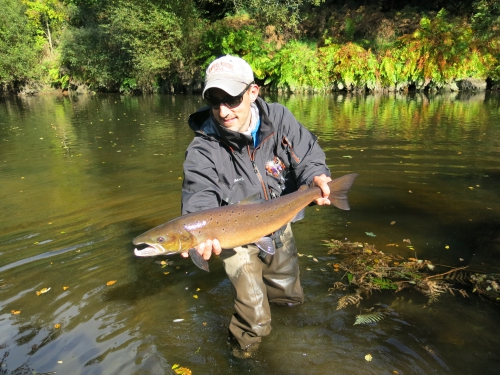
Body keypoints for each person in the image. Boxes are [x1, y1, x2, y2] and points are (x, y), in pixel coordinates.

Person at [180, 55, 332, 358]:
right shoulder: (203, 148)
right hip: (233, 236)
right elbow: (199, 197)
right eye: (214, 101)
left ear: (253, 92)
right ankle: (242, 356)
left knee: (289, 294)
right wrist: (198, 234)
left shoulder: (280, 119)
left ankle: (291, 339)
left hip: (278, 221)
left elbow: (308, 154)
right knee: (255, 316)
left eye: (232, 99)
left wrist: (316, 175)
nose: (223, 111)